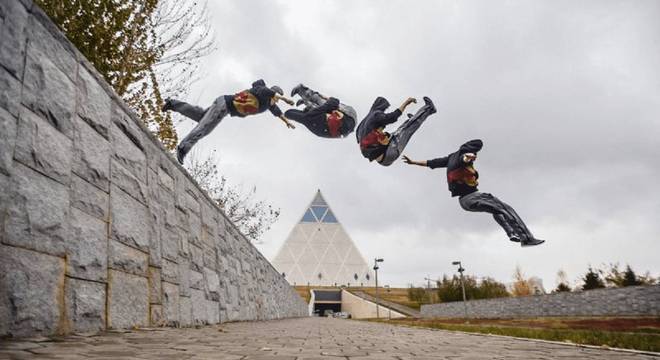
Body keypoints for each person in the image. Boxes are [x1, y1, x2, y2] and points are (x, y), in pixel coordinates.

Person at [403, 139, 545, 247]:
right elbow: (465, 158)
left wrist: (414, 162)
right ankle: (526, 238)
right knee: (506, 208)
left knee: (496, 210)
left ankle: (511, 233)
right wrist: (468, 157)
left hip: (464, 202)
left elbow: (432, 162)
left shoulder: (451, 157)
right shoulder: (462, 158)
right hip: (473, 197)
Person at [163, 79, 296, 164]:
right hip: (224, 106)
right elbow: (267, 92)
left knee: (200, 116)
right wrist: (285, 99)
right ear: (273, 94)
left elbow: (278, 113)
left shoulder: (269, 105)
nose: (275, 102)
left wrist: (286, 122)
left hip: (223, 105)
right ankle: (183, 148)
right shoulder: (262, 91)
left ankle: (172, 104)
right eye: (276, 99)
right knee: (205, 128)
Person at [356, 96, 436, 166]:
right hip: (388, 154)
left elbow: (361, 139)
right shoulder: (376, 115)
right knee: (408, 128)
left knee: (396, 133)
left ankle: (411, 120)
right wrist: (406, 102)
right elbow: (393, 116)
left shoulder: (362, 124)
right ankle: (429, 108)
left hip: (382, 156)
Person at [285, 84, 357, 138]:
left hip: (340, 127)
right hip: (348, 117)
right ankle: (305, 94)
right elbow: (333, 102)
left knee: (321, 106)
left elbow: (289, 113)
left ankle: (307, 99)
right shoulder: (317, 122)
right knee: (321, 103)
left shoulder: (315, 122)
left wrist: (306, 102)